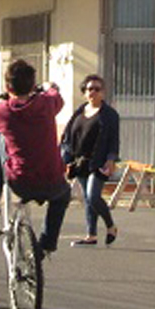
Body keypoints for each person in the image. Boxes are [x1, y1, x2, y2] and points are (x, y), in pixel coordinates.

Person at [0, 59, 70, 257]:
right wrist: (49, 87)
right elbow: (56, 96)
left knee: (1, 137)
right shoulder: (46, 104)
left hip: (21, 182)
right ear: (32, 84)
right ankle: (46, 243)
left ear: (7, 86)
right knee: (63, 196)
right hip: (52, 181)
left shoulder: (1, 111)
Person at [60, 74, 120, 247]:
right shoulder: (80, 111)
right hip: (80, 161)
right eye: (89, 89)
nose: (93, 92)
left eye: (97, 89)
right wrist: (66, 156)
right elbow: (69, 135)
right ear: (84, 92)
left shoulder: (109, 115)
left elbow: (114, 140)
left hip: (99, 161)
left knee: (93, 196)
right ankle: (91, 235)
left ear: (103, 92)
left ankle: (110, 226)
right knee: (87, 198)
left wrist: (111, 159)